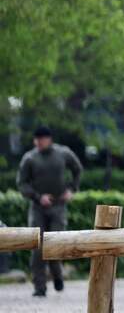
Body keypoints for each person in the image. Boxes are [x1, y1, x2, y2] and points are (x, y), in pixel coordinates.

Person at [16, 126, 83, 297]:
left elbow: (77, 170)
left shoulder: (63, 153)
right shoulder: (29, 158)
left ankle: (58, 276)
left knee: (55, 244)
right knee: (37, 247)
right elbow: (22, 183)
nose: (39, 142)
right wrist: (38, 197)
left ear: (49, 139)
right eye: (36, 140)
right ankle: (39, 287)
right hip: (38, 207)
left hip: (59, 205)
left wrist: (72, 189)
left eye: (42, 139)